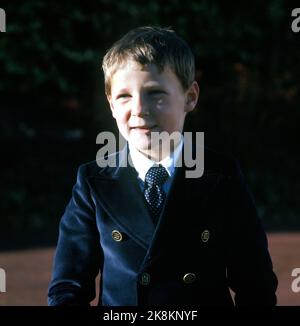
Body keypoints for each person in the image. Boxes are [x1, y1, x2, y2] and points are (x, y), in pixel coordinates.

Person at [48, 26, 278, 306]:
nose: (139, 109)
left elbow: (256, 286)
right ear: (110, 104)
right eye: (124, 96)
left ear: (190, 97)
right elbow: (67, 289)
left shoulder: (221, 176)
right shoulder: (92, 181)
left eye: (155, 93)